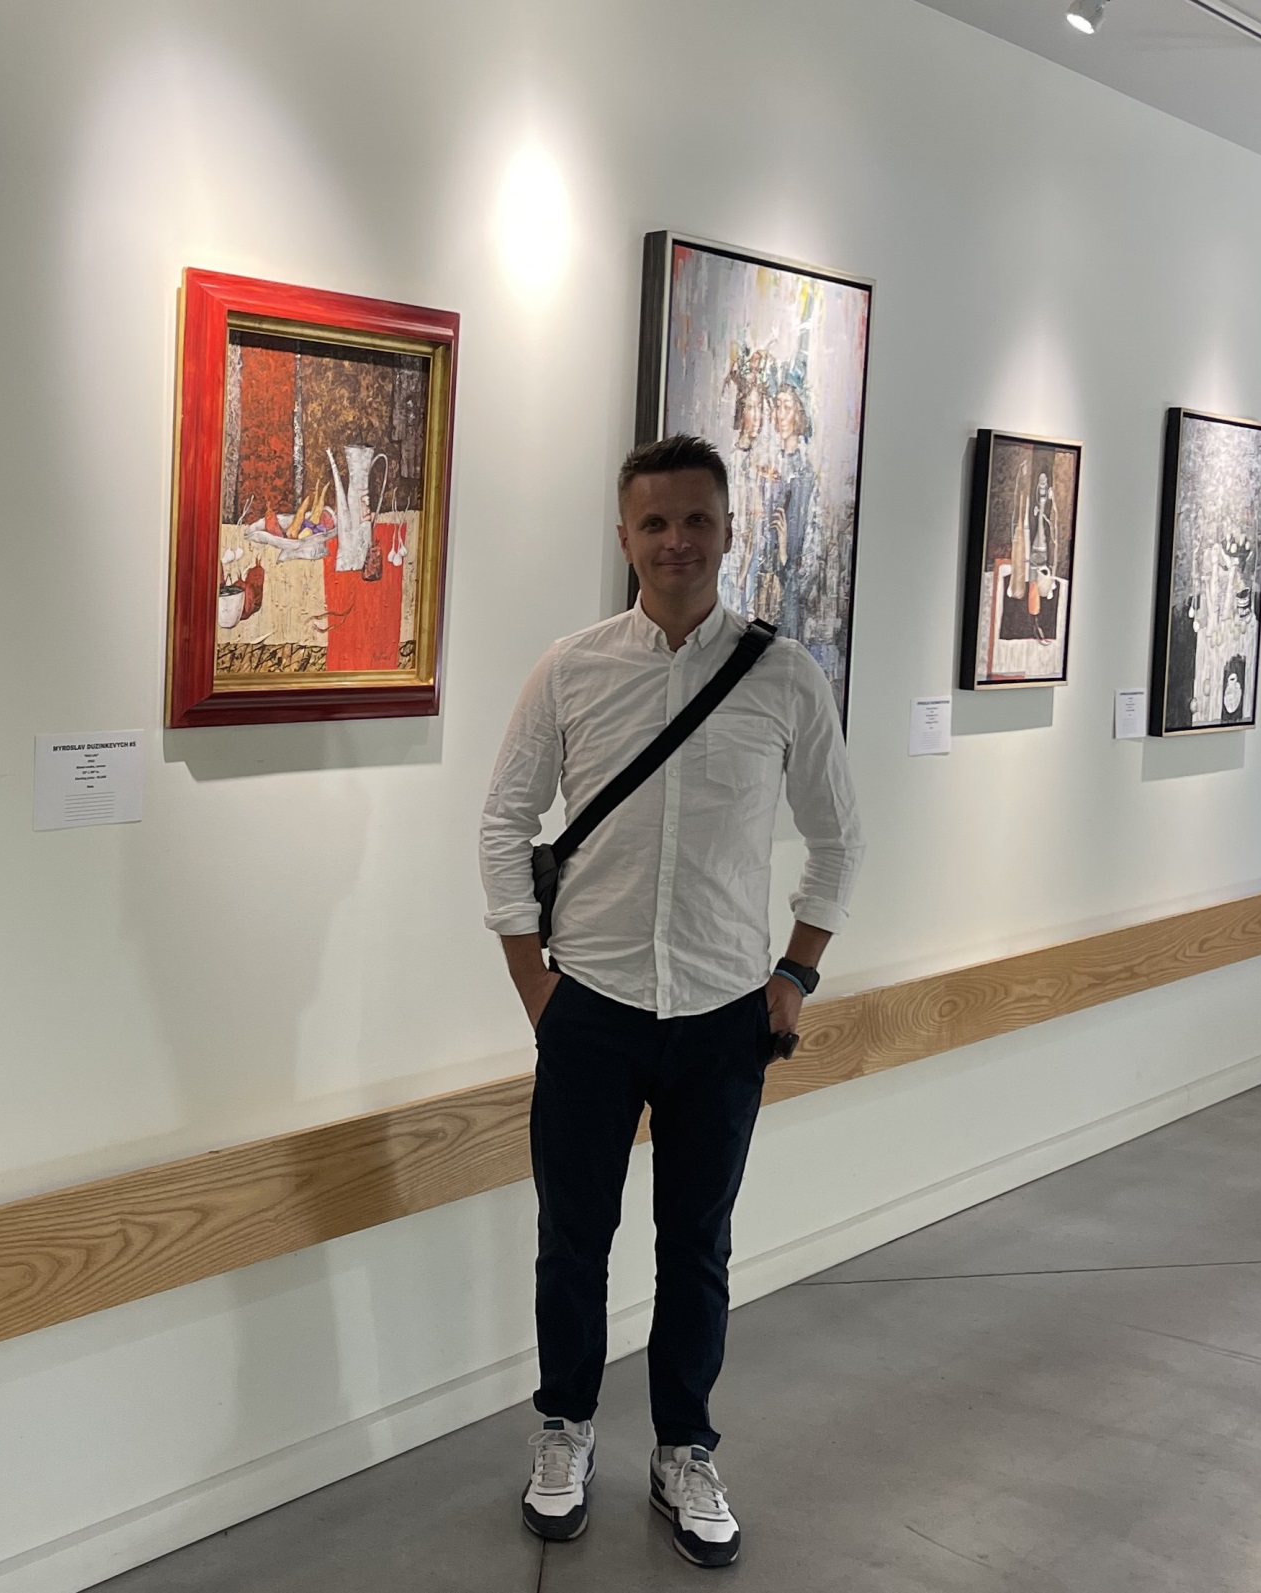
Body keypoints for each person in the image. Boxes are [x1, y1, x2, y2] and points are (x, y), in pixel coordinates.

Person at [478, 433, 864, 1568]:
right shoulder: (571, 670)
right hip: (589, 1006)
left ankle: (684, 1448)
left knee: (695, 1245)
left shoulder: (783, 675)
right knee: (572, 1241)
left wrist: (794, 973)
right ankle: (564, 1428)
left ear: (728, 530)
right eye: (654, 523)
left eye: (696, 519)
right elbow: (503, 822)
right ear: (624, 537)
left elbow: (839, 838)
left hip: (719, 1011)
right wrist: (533, 984)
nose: (676, 541)